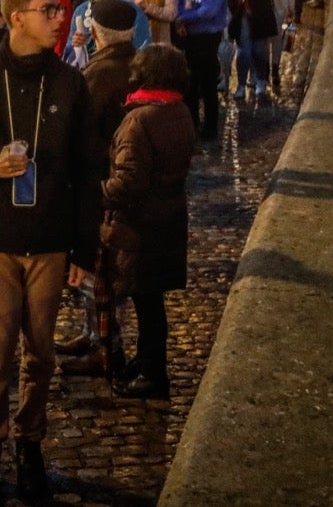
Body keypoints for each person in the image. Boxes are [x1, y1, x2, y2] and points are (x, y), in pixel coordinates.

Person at [0, 0, 99, 505]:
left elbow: (87, 171)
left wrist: (84, 252)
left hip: (52, 238)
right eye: (47, 10)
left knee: (40, 354)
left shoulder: (70, 84)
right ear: (17, 19)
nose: (60, 17)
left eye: (58, 10)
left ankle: (30, 443)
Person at [99, 44, 196, 399]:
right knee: (150, 300)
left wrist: (97, 194)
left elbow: (128, 182)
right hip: (168, 219)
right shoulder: (179, 110)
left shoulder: (140, 118)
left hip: (139, 226)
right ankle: (146, 359)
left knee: (146, 300)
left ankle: (154, 372)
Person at [56, 0, 138, 373]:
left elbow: (83, 133)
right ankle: (93, 335)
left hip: (100, 182)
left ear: (96, 33)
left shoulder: (98, 74)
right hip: (120, 179)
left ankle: (105, 348)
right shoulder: (136, 64)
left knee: (97, 269)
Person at [176, 0, 229, 141]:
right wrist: (180, 21)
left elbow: (210, 9)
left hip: (207, 35)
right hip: (189, 34)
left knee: (207, 82)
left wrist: (185, 17)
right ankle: (191, 123)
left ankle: (210, 127)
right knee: (190, 82)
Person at [229, 0, 278, 102]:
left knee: (258, 49)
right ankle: (241, 84)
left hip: (259, 16)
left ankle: (260, 80)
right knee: (243, 51)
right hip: (242, 15)